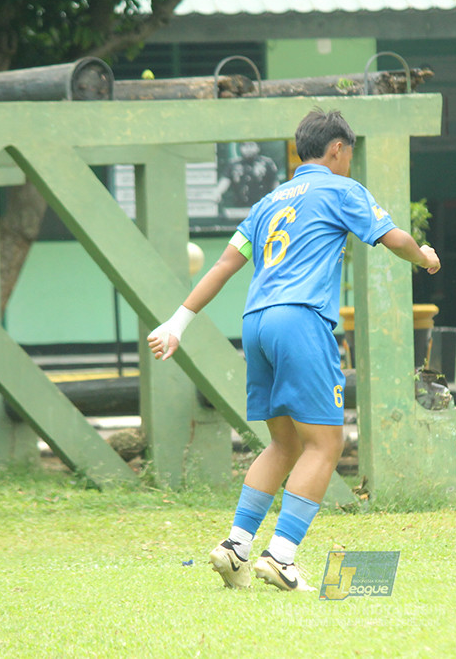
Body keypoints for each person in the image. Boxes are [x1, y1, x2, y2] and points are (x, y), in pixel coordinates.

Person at [147, 108, 440, 592]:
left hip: (257, 322)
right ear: (338, 150)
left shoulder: (270, 201)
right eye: (349, 155)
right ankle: (281, 557)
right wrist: (423, 257)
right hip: (301, 319)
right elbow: (395, 239)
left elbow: (223, 264)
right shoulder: (342, 189)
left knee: (284, 443)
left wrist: (177, 323)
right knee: (326, 443)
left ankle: (237, 546)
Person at [212, 141, 280, 214]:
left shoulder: (267, 163)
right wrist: (218, 192)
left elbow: (275, 183)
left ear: (257, 147)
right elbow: (225, 180)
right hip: (240, 208)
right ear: (240, 148)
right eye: (245, 146)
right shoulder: (234, 164)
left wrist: (278, 199)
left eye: (251, 145)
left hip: (262, 208)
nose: (248, 149)